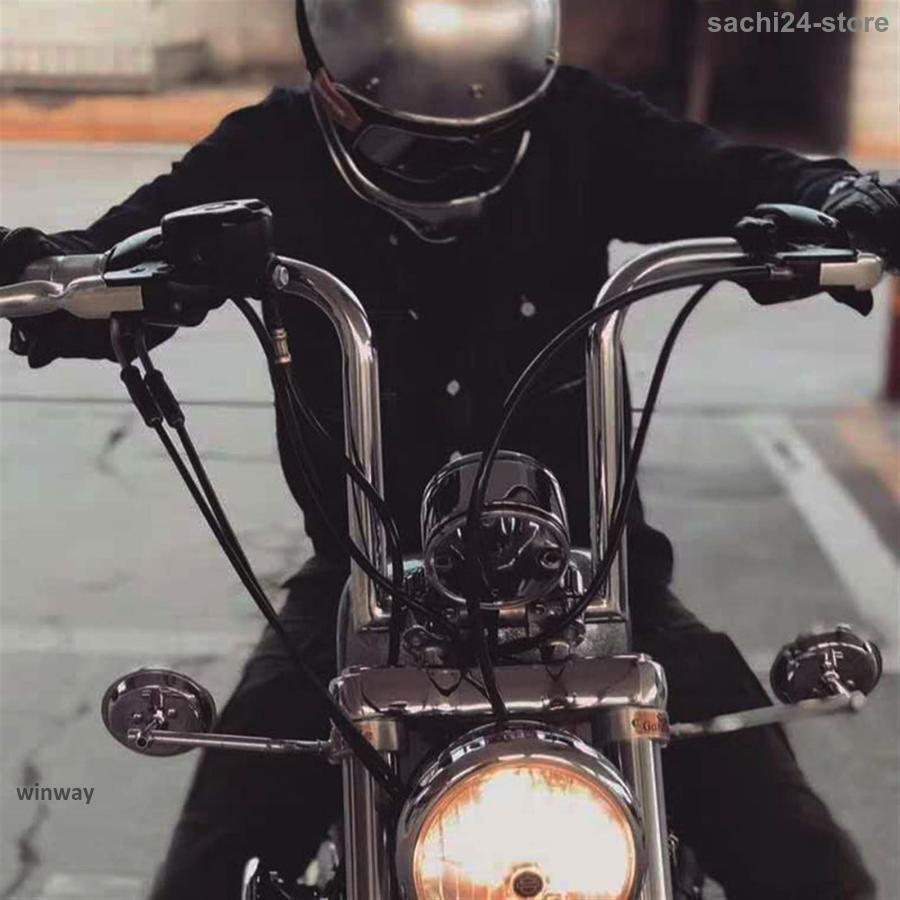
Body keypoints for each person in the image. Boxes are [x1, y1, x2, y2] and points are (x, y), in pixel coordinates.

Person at [3, 2, 898, 897]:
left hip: (598, 583)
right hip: (364, 589)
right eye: (406, 136)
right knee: (207, 871)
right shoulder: (269, 151)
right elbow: (117, 249)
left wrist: (841, 201)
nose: (452, 160)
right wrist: (47, 272)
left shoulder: (580, 122)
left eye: (485, 135)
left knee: (800, 857)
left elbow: (732, 174)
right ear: (331, 76)